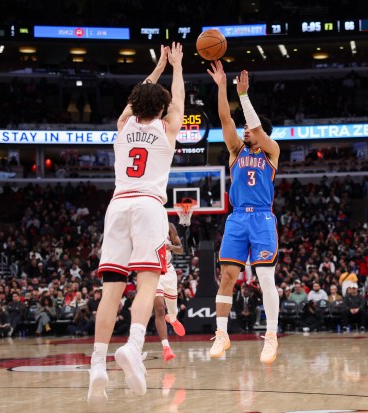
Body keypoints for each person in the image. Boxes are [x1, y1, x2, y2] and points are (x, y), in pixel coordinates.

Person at [88, 42, 185, 405]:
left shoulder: (123, 125)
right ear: (161, 108)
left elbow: (137, 98)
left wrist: (157, 66)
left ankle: (97, 362)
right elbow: (178, 100)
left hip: (117, 207)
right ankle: (132, 344)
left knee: (111, 292)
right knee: (148, 284)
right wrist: (175, 66)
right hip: (148, 206)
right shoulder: (167, 127)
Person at [207, 60, 280, 364]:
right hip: (237, 218)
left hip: (262, 217)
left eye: (250, 128)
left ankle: (272, 335)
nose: (245, 131)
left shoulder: (272, 151)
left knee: (265, 277)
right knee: (226, 276)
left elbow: (258, 129)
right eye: (245, 128)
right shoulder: (236, 151)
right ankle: (222, 334)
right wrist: (223, 87)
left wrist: (245, 96)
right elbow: (225, 119)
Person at [154, 223, 186, 362]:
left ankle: (172, 319)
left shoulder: (169, 226)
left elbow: (180, 250)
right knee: (160, 309)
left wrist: (171, 247)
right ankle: (166, 347)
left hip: (168, 272)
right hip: (153, 273)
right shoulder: (144, 225)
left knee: (172, 310)